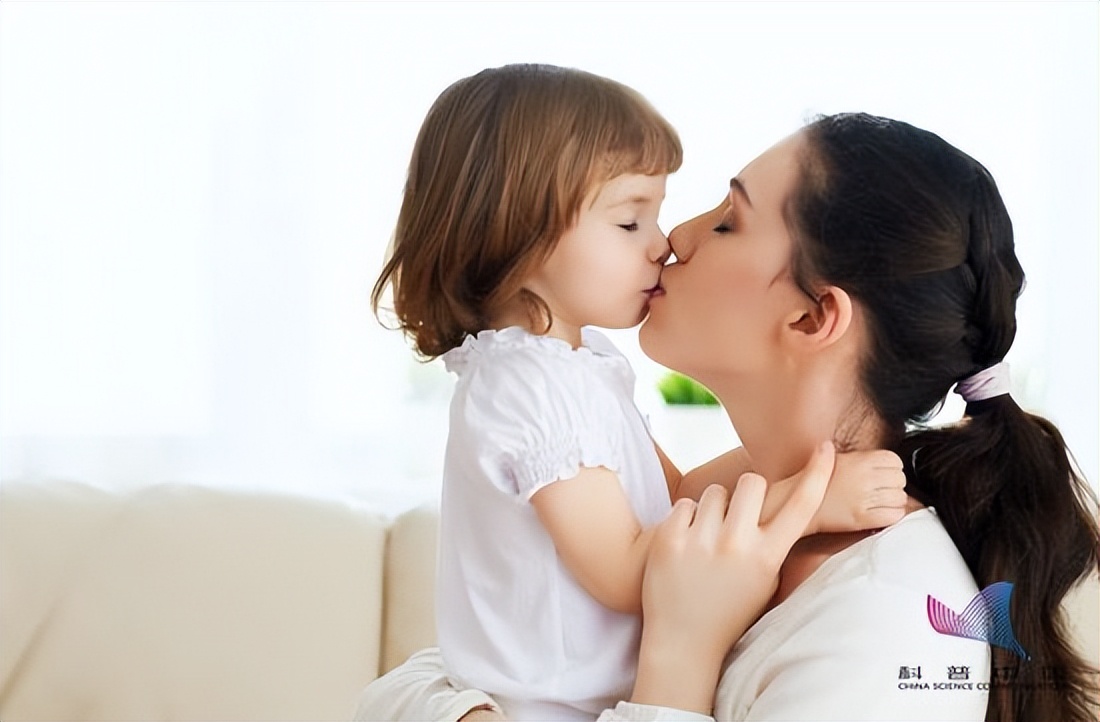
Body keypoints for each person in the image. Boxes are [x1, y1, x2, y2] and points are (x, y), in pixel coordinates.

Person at [358, 112, 1100, 722]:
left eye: (727, 223)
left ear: (813, 317)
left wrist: (681, 650)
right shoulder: (703, 500)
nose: (675, 238)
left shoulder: (889, 618)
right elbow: (434, 677)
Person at [369, 65, 907, 722]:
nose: (663, 243)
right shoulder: (527, 386)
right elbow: (627, 574)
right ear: (518, 233)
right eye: (629, 222)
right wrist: (807, 501)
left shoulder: (581, 364)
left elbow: (674, 497)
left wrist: (804, 455)